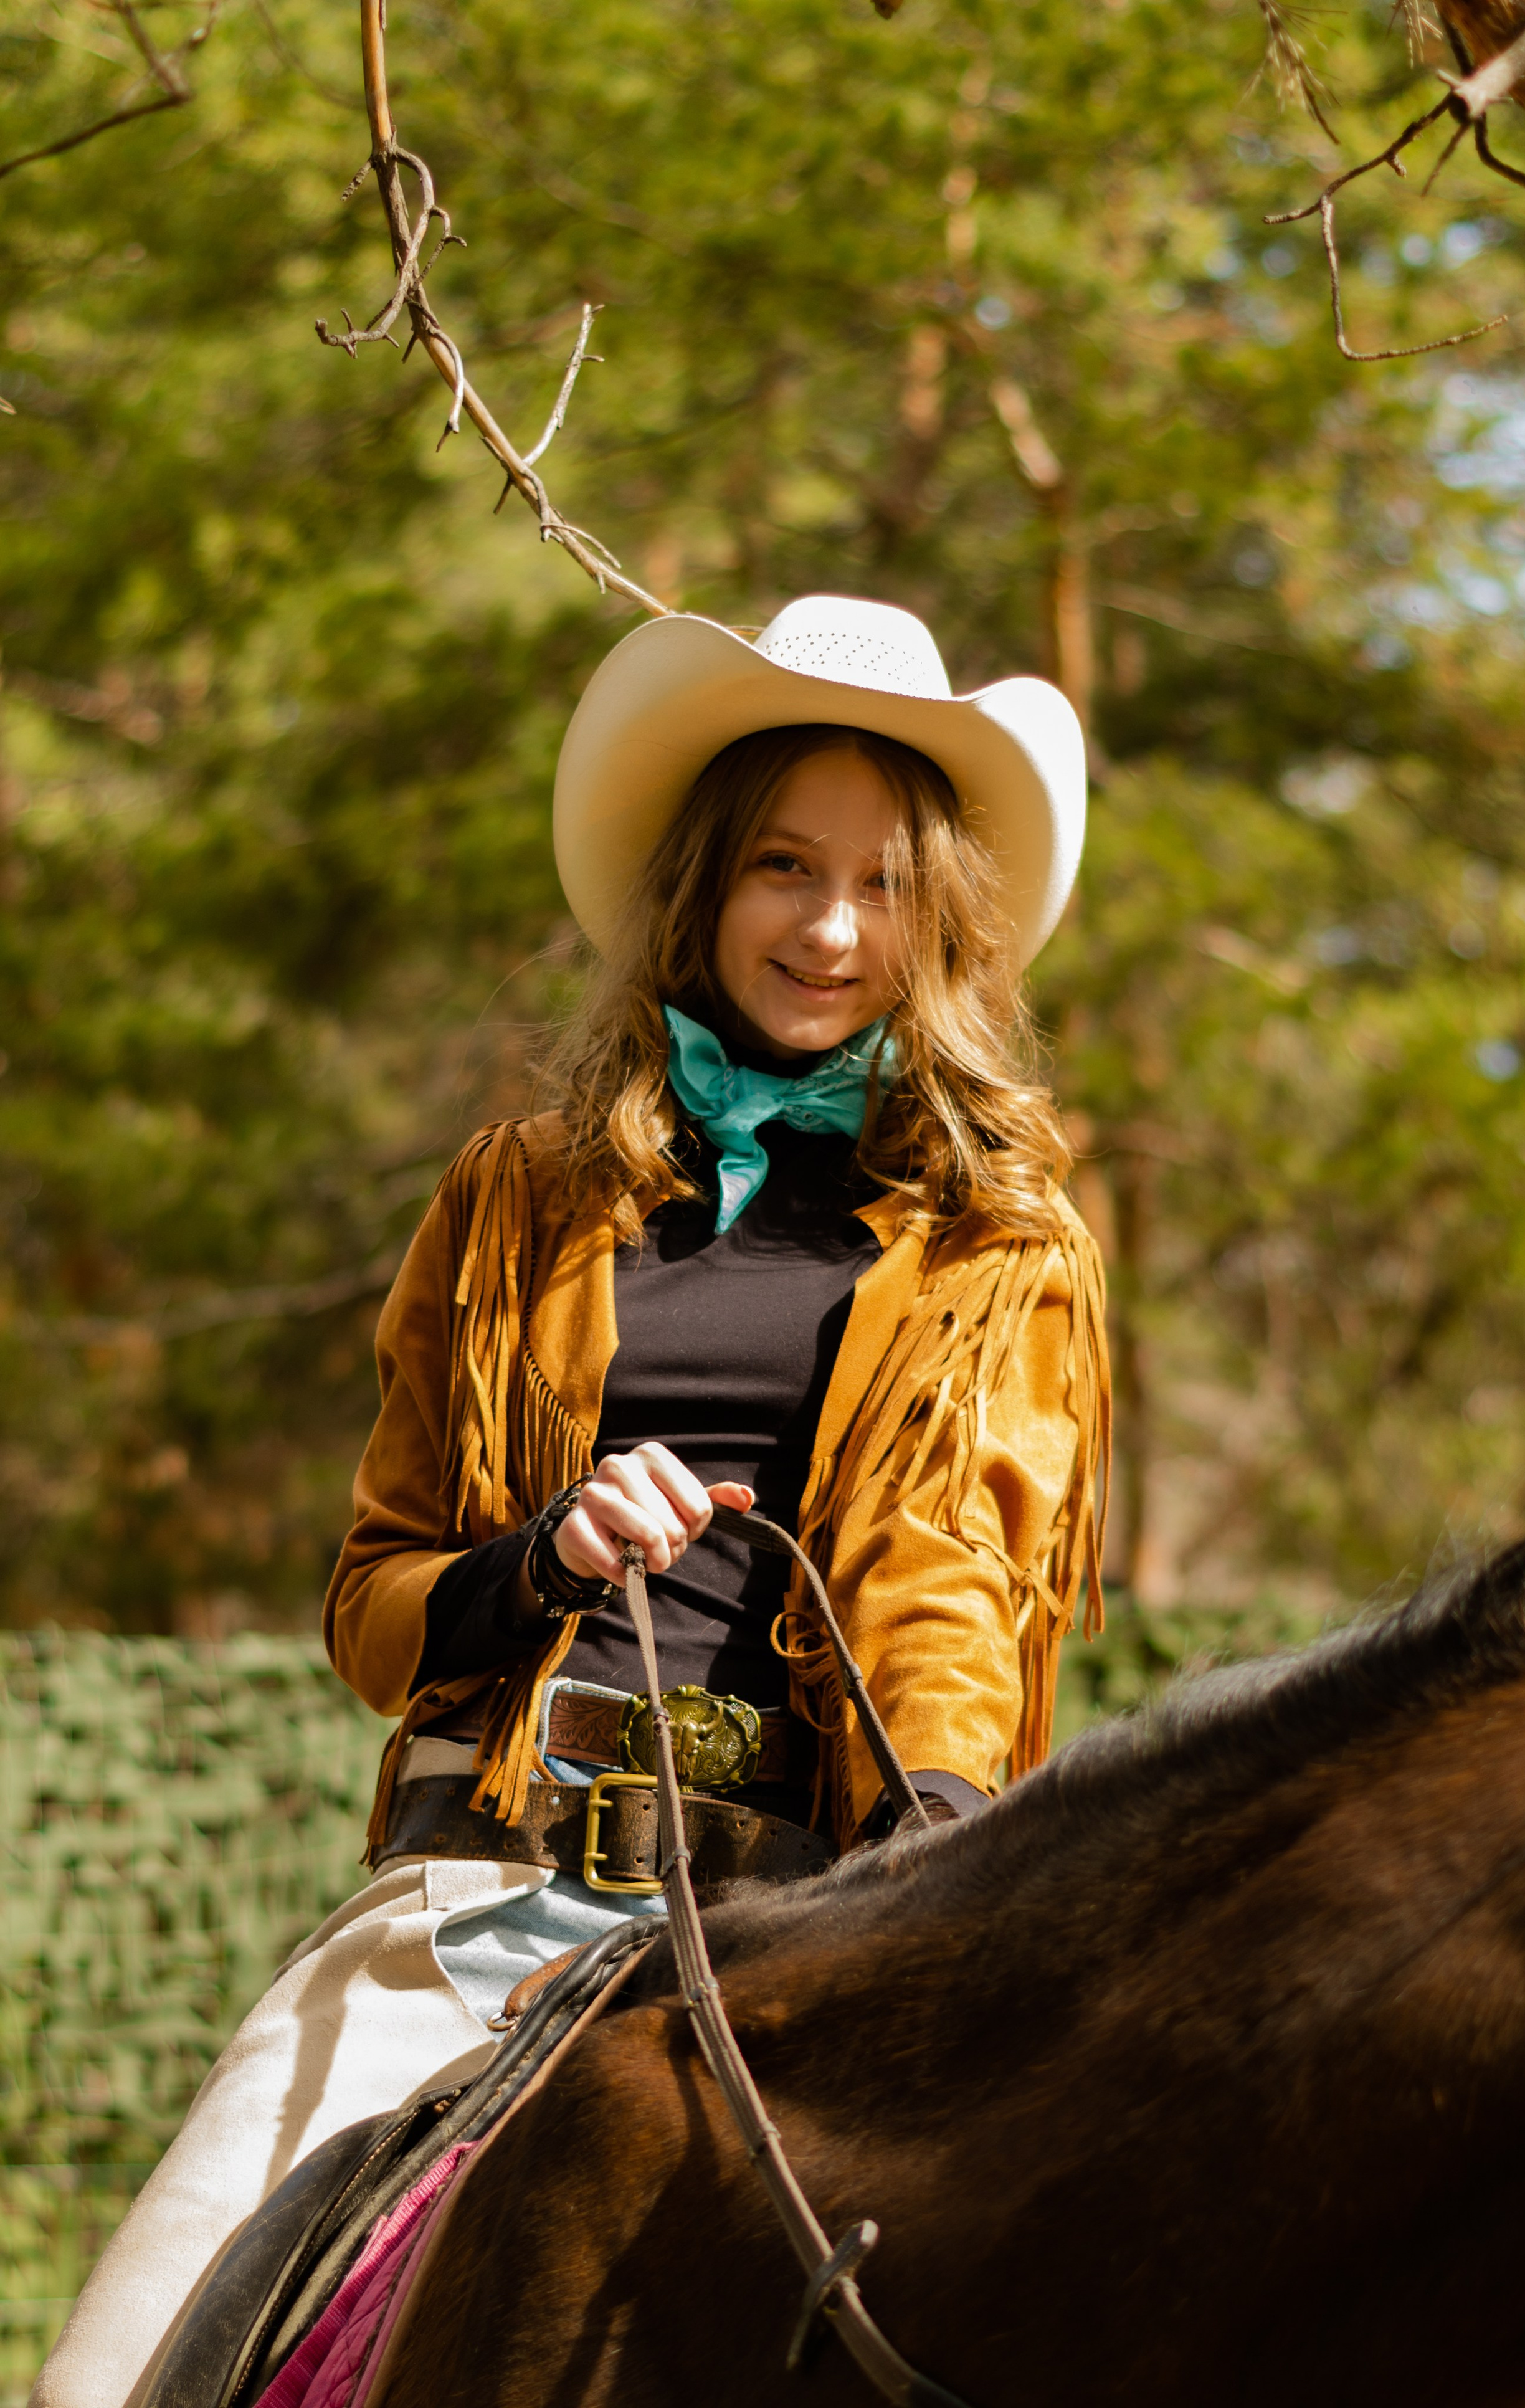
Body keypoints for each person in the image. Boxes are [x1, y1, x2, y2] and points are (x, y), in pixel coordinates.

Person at [32, 593, 1109, 2408]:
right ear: (702, 882)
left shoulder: (1003, 1251)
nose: (833, 926)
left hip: (817, 1922)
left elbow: (952, 1581)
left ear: (945, 919)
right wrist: (545, 1551)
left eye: (883, 881)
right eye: (784, 864)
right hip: (478, 1904)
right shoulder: (515, 1199)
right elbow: (375, 1609)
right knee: (111, 2367)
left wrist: (938, 1856)